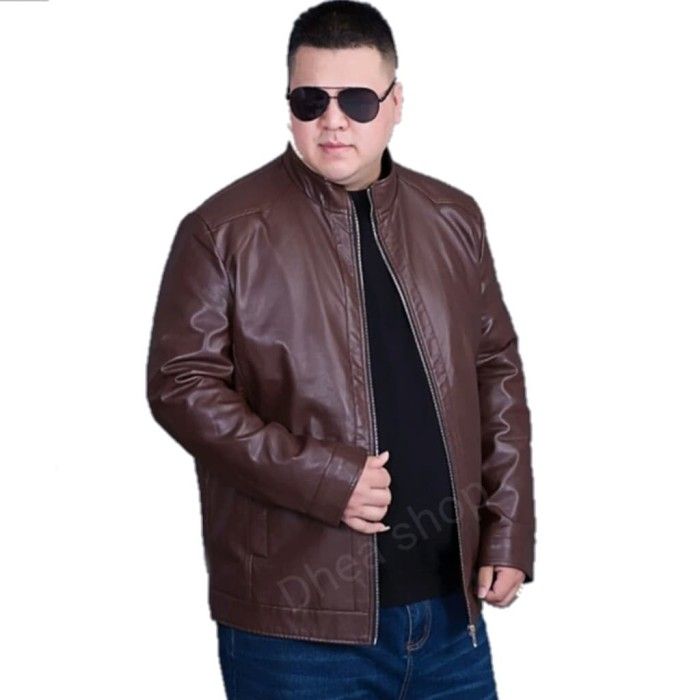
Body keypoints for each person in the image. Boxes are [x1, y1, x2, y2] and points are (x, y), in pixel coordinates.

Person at [146, 1, 536, 697]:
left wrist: (507, 531)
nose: (333, 120)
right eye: (310, 100)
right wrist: (324, 477)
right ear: (288, 105)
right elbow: (181, 386)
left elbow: (495, 370)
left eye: (356, 99)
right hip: (296, 629)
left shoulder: (454, 217)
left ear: (395, 102)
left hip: (452, 617)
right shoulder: (222, 230)